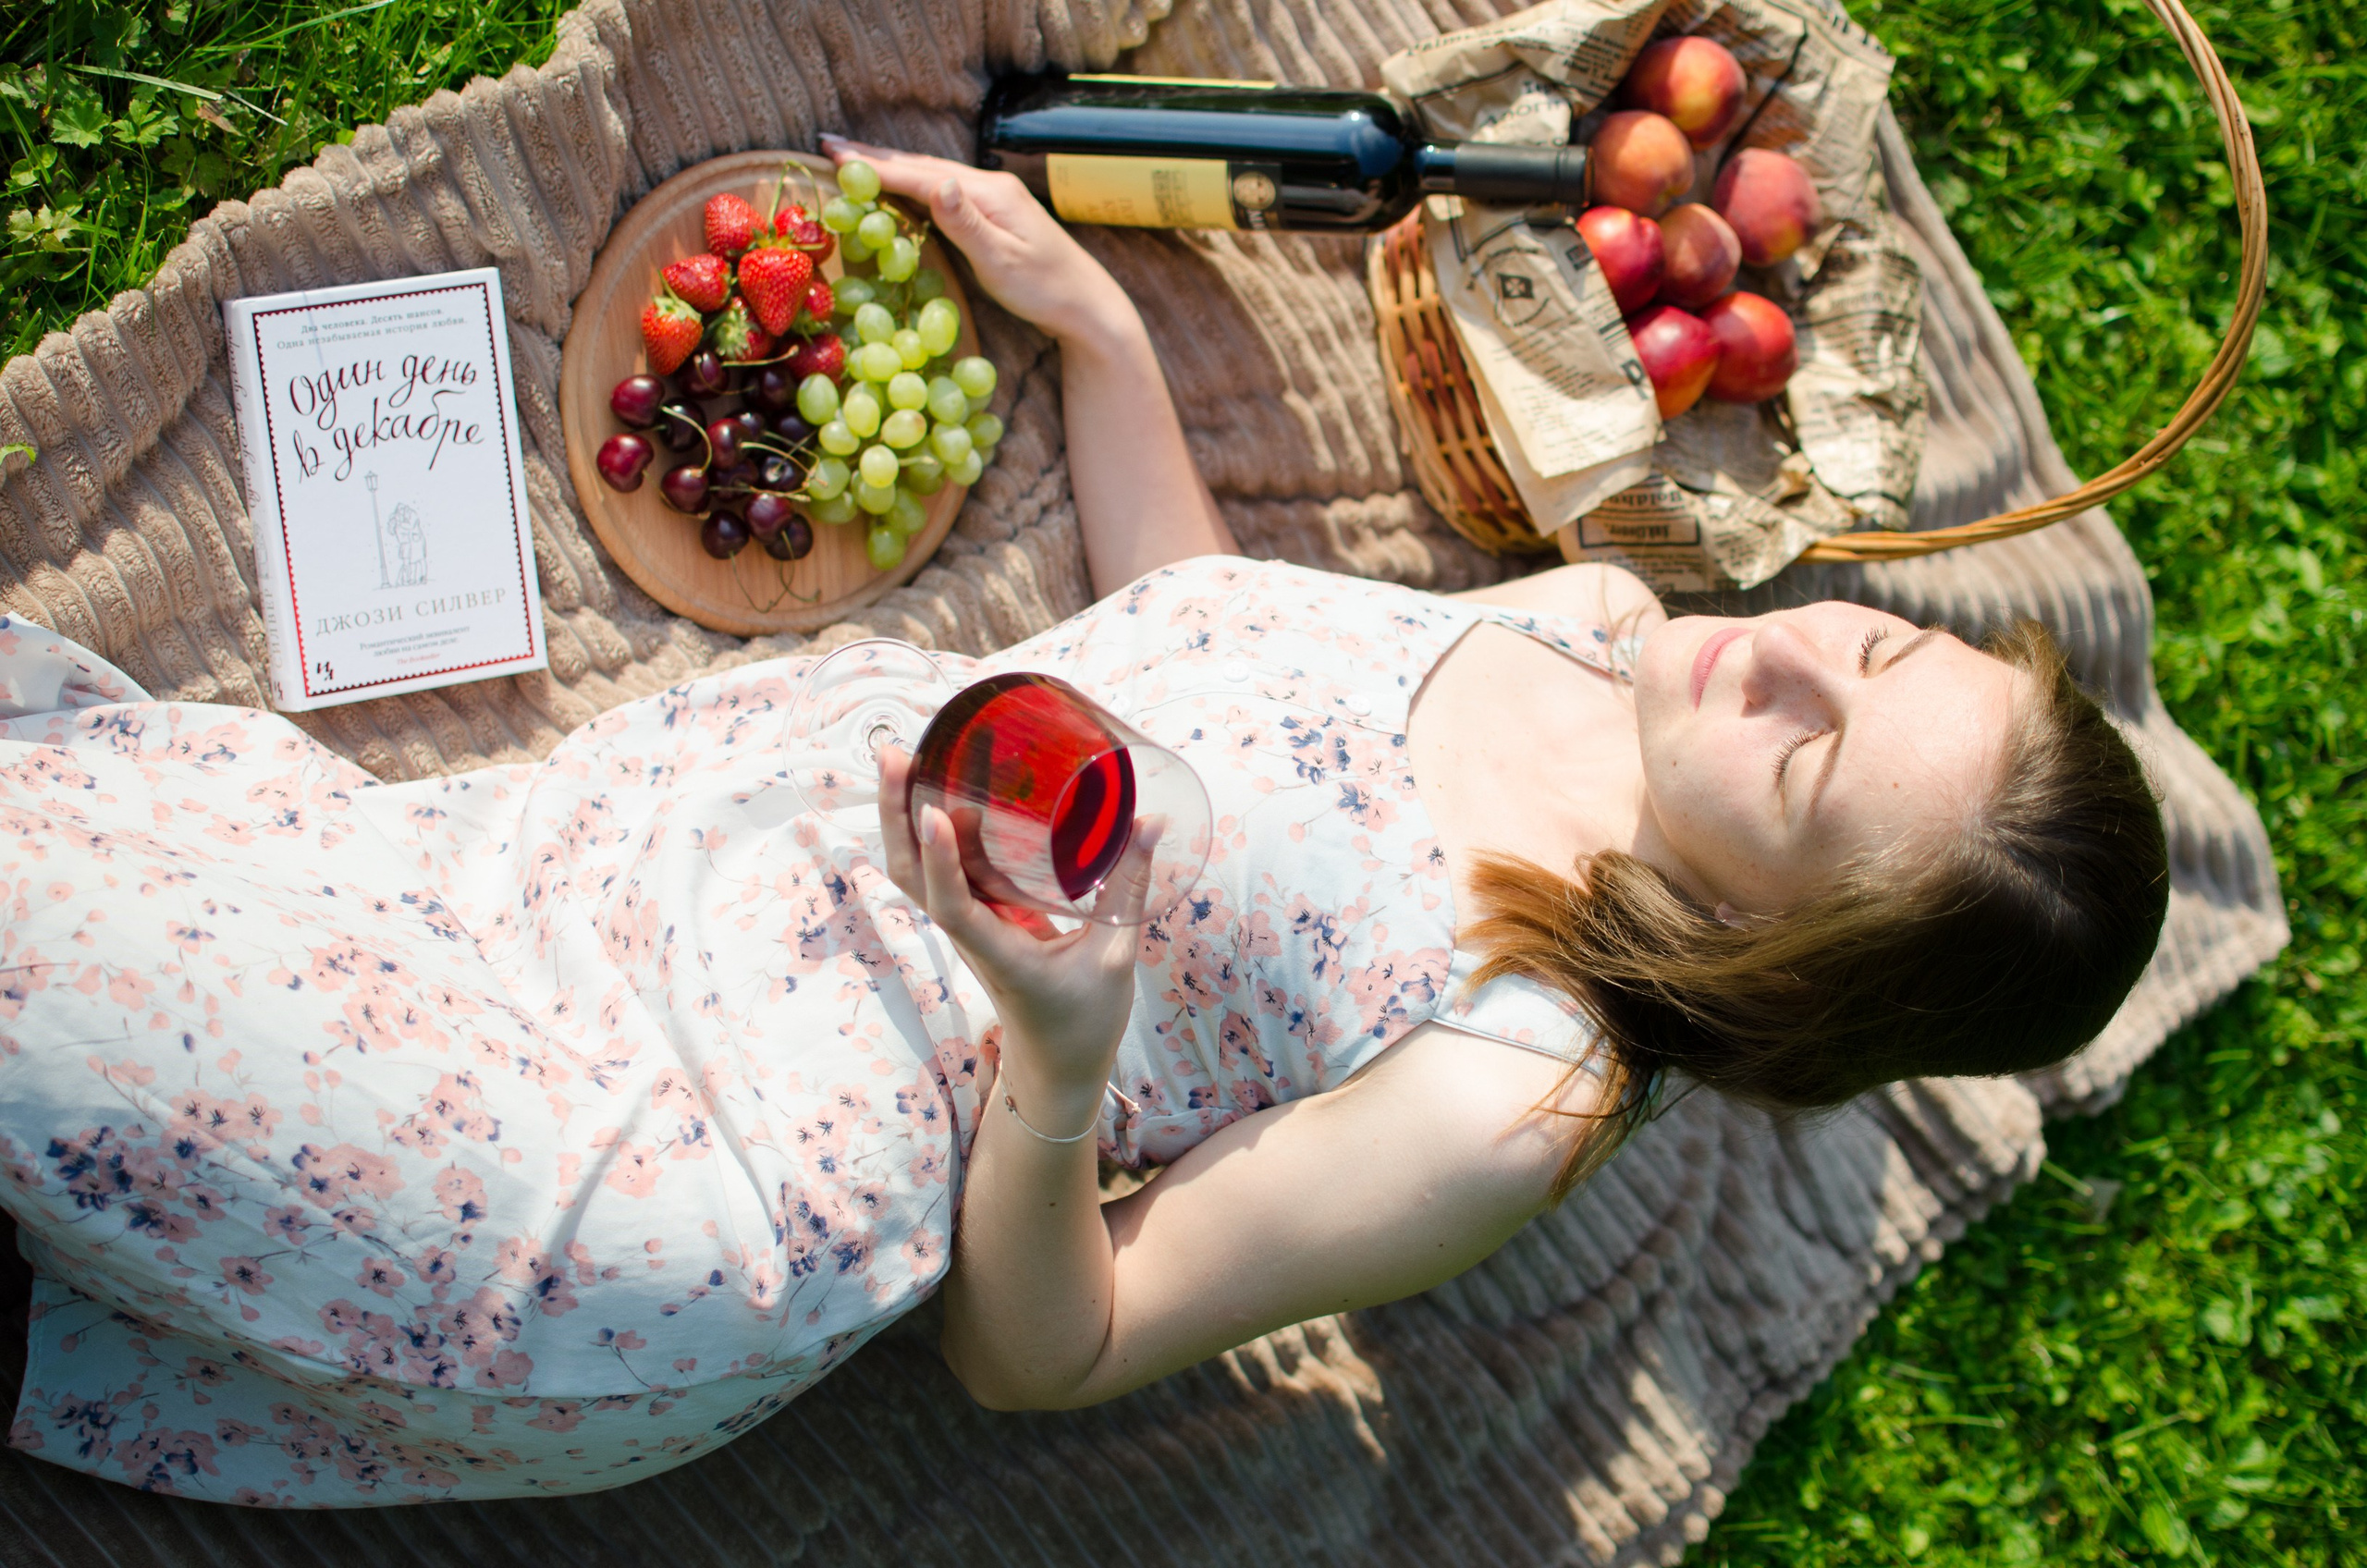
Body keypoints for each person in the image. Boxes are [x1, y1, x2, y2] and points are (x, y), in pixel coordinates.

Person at [0, 141, 2166, 1508]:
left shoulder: (1511, 1084)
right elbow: (1211, 657)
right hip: (609, 861)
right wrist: (1105, 337)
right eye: (1868, 651)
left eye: (1798, 755)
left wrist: (1056, 1053)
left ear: (1768, 938)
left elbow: (1043, 1353)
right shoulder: (1607, 619)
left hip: (699, 1154)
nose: (1768, 657)